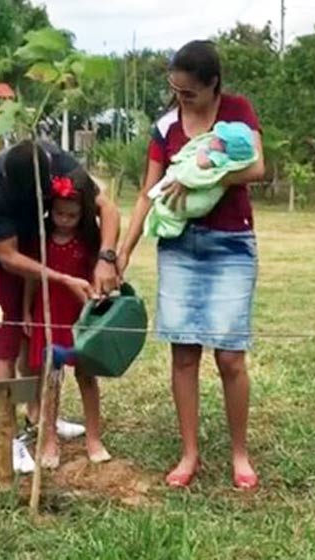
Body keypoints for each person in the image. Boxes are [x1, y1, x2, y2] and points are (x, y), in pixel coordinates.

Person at [117, 40, 266, 489]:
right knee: (183, 353)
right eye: (175, 90)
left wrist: (201, 174)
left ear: (213, 84)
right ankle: (189, 454)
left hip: (230, 244)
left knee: (230, 356)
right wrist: (122, 250)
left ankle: (240, 454)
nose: (181, 99)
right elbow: (148, 192)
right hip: (179, 246)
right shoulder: (164, 126)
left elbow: (257, 167)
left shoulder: (238, 110)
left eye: (189, 93)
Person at [0, 140, 120, 474]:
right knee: (4, 336)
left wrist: (106, 258)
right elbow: (7, 257)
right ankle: (9, 435)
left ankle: (39, 415)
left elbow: (107, 207)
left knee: (31, 337)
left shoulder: (57, 162)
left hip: (33, 243)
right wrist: (60, 277)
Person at [23, 168, 112, 469]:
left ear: (82, 214)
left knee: (86, 375)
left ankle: (94, 438)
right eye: (59, 214)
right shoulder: (42, 239)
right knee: (51, 377)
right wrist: (26, 309)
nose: (64, 220)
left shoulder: (89, 242)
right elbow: (32, 278)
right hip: (48, 314)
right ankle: (49, 437)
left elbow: (97, 278)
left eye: (72, 215)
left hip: (79, 318)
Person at [145, 121, 258, 238]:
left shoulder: (219, 158)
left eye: (218, 139)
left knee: (171, 200)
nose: (213, 138)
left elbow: (201, 164)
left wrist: (201, 150)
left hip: (198, 196)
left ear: (224, 147)